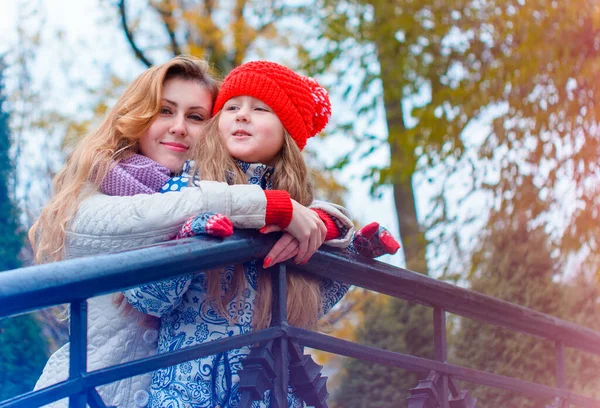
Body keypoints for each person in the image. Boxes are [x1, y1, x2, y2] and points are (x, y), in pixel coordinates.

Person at [31, 56, 355, 408]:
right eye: (164, 111)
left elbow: (308, 284)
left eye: (196, 116)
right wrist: (269, 207)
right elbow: (160, 217)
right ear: (138, 117)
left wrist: (324, 222)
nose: (180, 127)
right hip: (94, 393)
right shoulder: (100, 193)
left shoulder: (212, 189)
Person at [122, 61, 399, 408]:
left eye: (260, 109)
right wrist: (187, 241)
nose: (241, 115)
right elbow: (148, 299)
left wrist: (352, 256)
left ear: (287, 132)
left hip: (276, 391)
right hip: (193, 392)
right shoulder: (187, 188)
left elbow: (308, 305)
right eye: (232, 107)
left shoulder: (300, 208)